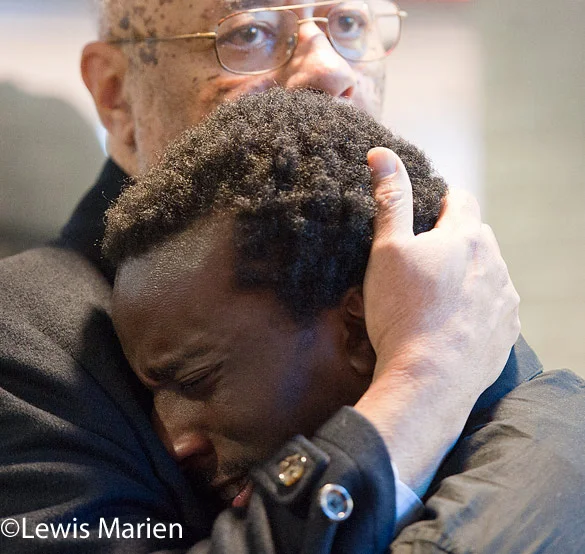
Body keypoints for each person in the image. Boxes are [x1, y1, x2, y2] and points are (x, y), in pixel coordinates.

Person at [0, 0, 578, 552]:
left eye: (347, 22)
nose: (330, 68)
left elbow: (558, 464)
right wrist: (423, 381)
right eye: (247, 33)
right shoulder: (23, 341)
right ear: (115, 92)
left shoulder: (426, 277)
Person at [103, 88, 585, 552]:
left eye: (196, 380)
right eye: (154, 397)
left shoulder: (527, 494)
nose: (174, 444)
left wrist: (423, 371)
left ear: (360, 332)